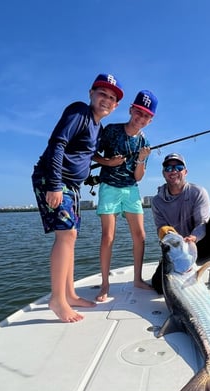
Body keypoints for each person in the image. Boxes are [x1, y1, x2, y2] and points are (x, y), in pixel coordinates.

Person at [32, 73, 123, 322]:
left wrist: (108, 162)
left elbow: (87, 153)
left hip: (72, 185)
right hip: (54, 179)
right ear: (91, 94)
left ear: (115, 106)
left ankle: (70, 293)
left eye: (112, 98)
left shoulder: (97, 126)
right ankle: (57, 299)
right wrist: (54, 185)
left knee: (71, 236)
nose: (106, 99)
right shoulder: (79, 112)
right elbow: (57, 143)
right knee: (67, 235)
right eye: (102, 93)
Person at [92, 90, 158, 302]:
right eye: (138, 112)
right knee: (107, 236)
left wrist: (140, 160)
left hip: (131, 188)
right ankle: (105, 284)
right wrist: (108, 163)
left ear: (151, 119)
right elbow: (91, 153)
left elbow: (138, 177)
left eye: (146, 115)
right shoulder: (111, 130)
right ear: (131, 110)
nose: (141, 118)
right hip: (109, 187)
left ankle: (138, 279)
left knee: (140, 236)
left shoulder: (144, 142)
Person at [151, 152, 210, 294]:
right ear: (163, 173)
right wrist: (167, 234)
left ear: (185, 172)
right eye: (168, 168)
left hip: (201, 245)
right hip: (177, 251)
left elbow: (202, 223)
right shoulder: (157, 201)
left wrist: (193, 238)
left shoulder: (198, 192)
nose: (173, 171)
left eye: (178, 167)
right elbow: (160, 228)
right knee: (158, 287)